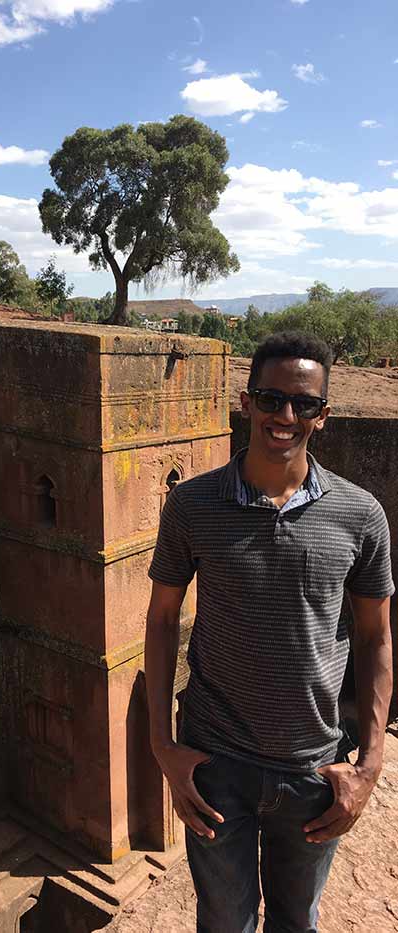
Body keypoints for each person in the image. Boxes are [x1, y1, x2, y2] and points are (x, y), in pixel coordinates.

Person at [144, 331, 394, 933]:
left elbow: (376, 638)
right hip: (216, 763)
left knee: (296, 921)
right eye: (270, 398)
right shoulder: (193, 505)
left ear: (322, 416)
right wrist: (162, 745)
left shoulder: (359, 515)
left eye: (303, 404)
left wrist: (370, 766)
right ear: (246, 402)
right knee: (224, 921)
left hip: (312, 766)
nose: (285, 416)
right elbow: (160, 620)